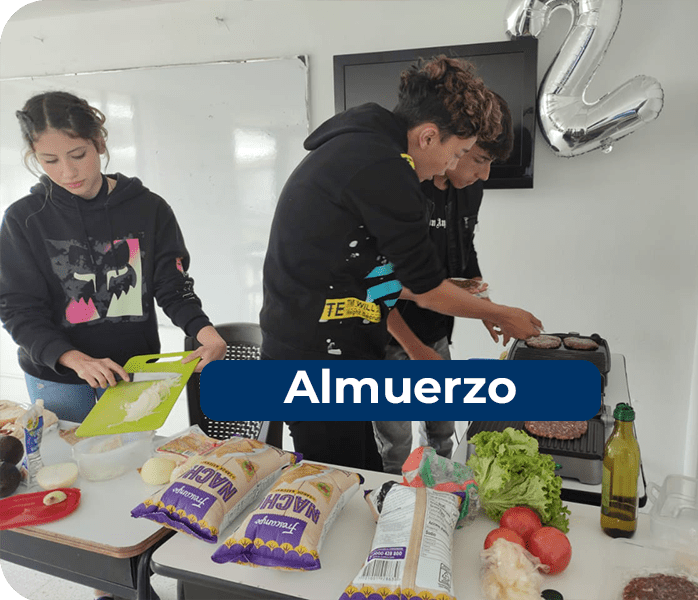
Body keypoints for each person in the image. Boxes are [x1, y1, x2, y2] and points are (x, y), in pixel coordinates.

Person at [260, 57, 543, 471]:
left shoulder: (363, 146)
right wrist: (500, 313)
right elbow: (426, 289)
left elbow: (367, 270)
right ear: (429, 136)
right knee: (348, 483)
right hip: (317, 360)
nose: (451, 167)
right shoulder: (386, 168)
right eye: (459, 153)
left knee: (346, 475)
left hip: (312, 349)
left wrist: (474, 305)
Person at [0, 91, 228, 427]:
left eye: (78, 154)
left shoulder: (150, 209)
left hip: (132, 370)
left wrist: (205, 331)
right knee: (68, 466)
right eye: (50, 161)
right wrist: (74, 359)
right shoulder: (24, 219)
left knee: (132, 463)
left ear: (99, 143)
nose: (67, 172)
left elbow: (172, 285)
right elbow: (19, 310)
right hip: (57, 375)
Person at [374, 93, 515, 474]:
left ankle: (438, 498)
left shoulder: (470, 188)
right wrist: (414, 348)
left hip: (437, 335)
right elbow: (374, 283)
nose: (483, 174)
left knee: (443, 433)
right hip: (390, 341)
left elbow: (465, 251)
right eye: (479, 158)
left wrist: (485, 306)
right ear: (456, 141)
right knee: (396, 448)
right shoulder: (402, 187)